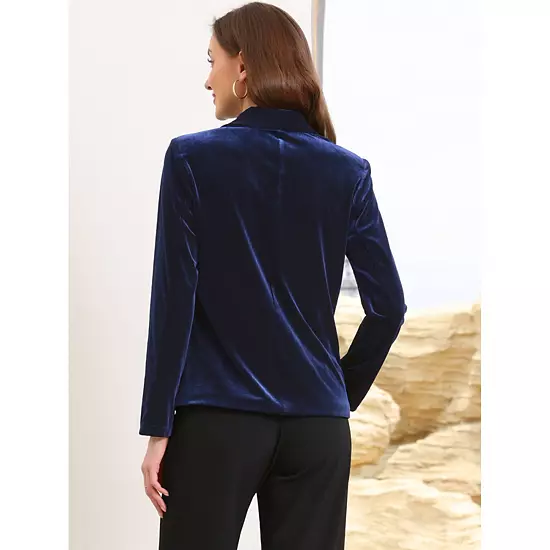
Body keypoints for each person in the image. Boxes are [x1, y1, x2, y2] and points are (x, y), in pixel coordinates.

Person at [139, 2, 406, 549]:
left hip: (217, 422)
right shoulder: (347, 171)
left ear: (242, 66)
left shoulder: (191, 159)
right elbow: (388, 308)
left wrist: (158, 427)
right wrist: (336, 394)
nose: (207, 79)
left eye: (211, 61)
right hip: (317, 430)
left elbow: (174, 302)